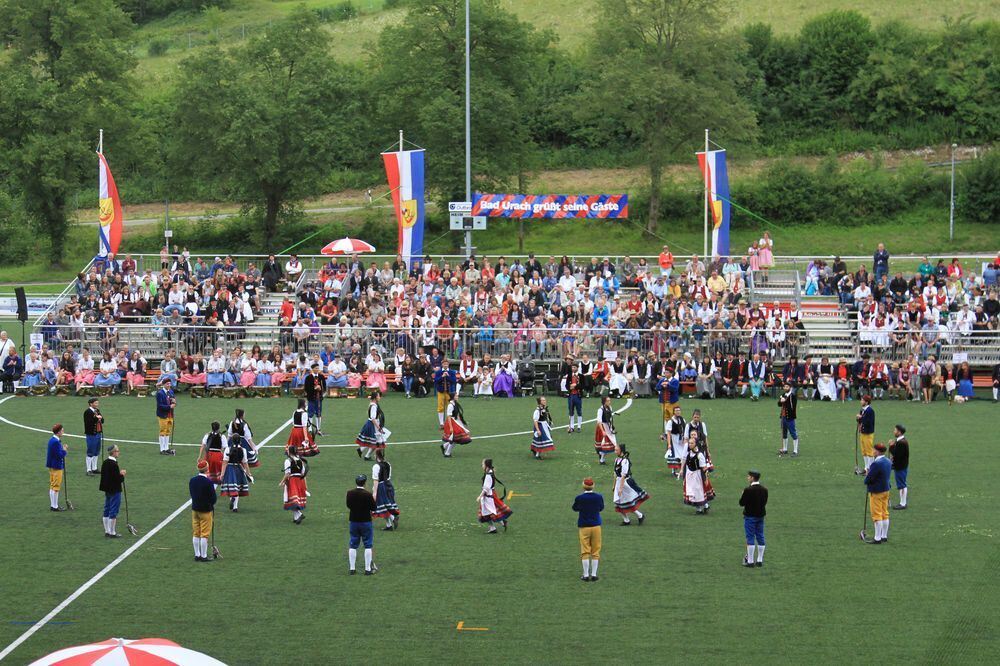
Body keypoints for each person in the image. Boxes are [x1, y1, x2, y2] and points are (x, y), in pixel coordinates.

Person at [572, 477, 604, 582]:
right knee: (596, 551)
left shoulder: (579, 498)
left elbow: (575, 508)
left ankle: (585, 575)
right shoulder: (599, 497)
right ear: (593, 486)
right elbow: (601, 508)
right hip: (596, 526)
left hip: (584, 526)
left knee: (585, 551)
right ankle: (594, 574)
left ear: (583, 486)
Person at [346, 474, 378, 575]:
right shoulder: (367, 494)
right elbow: (374, 508)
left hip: (354, 521)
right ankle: (368, 569)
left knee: (353, 544)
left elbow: (348, 505)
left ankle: (352, 568)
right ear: (364, 482)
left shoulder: (349, 493)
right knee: (368, 545)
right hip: (365, 522)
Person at [612, 443, 649, 525]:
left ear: (621, 450)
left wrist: (620, 488)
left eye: (616, 450)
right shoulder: (617, 460)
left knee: (625, 502)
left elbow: (623, 476)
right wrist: (614, 485)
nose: (615, 451)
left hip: (625, 483)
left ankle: (636, 517)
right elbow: (615, 474)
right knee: (620, 503)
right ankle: (631, 518)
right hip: (619, 483)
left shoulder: (625, 461)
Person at [189, 460, 217, 562]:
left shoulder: (192, 480)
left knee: (196, 533)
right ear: (207, 469)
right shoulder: (209, 482)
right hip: (205, 510)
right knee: (204, 534)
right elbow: (213, 498)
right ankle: (204, 556)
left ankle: (197, 554)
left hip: (195, 509)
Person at [864, 443, 892, 544]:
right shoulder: (888, 461)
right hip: (886, 490)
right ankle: (884, 536)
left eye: (874, 449)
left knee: (877, 515)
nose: (872, 451)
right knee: (885, 513)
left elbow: (869, 479)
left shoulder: (876, 464)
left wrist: (867, 475)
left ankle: (877, 538)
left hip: (876, 492)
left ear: (877, 451)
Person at [739, 470, 767, 567]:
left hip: (750, 516)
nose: (747, 478)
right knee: (760, 536)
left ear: (752, 478)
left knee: (750, 537)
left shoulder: (748, 490)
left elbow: (741, 503)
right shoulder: (764, 489)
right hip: (760, 516)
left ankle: (750, 561)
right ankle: (760, 560)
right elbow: (765, 502)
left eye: (748, 476)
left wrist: (742, 494)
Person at [477, 458, 512, 534]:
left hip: (488, 496)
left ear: (486, 465)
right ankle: (497, 525)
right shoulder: (490, 472)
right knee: (488, 512)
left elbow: (486, 488)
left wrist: (480, 496)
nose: (482, 465)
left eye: (483, 464)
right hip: (490, 495)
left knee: (487, 513)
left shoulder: (488, 475)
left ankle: (496, 525)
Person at [220, 435, 252, 512]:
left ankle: (233, 499)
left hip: (230, 469)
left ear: (232, 440)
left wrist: (222, 474)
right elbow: (245, 463)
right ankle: (235, 507)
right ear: (240, 441)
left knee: (232, 488)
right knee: (237, 487)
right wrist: (249, 473)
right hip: (239, 469)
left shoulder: (228, 449)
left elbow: (224, 462)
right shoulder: (243, 450)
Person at [99, 444, 125, 538]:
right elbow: (118, 479)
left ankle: (107, 531)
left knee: (107, 509)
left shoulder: (105, 462)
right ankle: (112, 532)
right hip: (115, 490)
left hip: (107, 490)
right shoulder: (113, 464)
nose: (118, 452)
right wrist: (122, 475)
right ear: (113, 452)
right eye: (117, 451)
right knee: (113, 510)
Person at [682, 437, 714, 514]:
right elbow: (687, 465)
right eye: (689, 443)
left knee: (698, 492)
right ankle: (699, 509)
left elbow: (704, 468)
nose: (690, 445)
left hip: (697, 475)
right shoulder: (689, 454)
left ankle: (705, 506)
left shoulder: (700, 455)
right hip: (690, 475)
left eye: (692, 443)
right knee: (692, 492)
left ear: (696, 444)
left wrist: (705, 478)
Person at [371, 449, 399, 531]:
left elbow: (376, 480)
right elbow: (388, 476)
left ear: (377, 456)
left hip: (381, 487)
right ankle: (389, 525)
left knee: (381, 506)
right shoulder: (388, 464)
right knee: (386, 505)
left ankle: (393, 518)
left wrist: (374, 492)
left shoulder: (376, 466)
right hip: (388, 485)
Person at [280, 445, 308, 525]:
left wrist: (282, 482)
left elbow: (287, 473)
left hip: (292, 481)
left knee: (291, 499)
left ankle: (299, 514)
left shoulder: (288, 461)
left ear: (290, 451)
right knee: (295, 500)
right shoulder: (300, 460)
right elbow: (303, 473)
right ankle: (296, 518)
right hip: (300, 480)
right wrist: (305, 485)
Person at [356, 391, 388, 460]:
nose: (380, 397)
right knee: (377, 442)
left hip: (371, 424)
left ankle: (364, 453)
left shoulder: (372, 404)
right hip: (372, 425)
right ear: (375, 397)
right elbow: (373, 418)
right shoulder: (374, 406)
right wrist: (379, 427)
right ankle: (371, 456)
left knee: (374, 442)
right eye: (379, 396)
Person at [442, 392, 471, 458]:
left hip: (455, 422)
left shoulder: (455, 404)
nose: (457, 397)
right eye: (456, 396)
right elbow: (449, 416)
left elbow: (457, 415)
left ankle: (444, 447)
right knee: (455, 439)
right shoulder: (450, 405)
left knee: (455, 439)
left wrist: (463, 422)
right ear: (453, 397)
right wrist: (451, 427)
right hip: (452, 422)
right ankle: (447, 453)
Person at [46, 424, 67, 512]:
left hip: (52, 465)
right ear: (58, 432)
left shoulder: (52, 440)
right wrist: (64, 450)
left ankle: (53, 505)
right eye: (62, 430)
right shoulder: (56, 442)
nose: (63, 432)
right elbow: (59, 455)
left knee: (52, 486)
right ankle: (55, 506)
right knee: (56, 487)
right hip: (56, 466)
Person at [655, 368, 680, 438]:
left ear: (671, 373)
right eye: (665, 373)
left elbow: (675, 389)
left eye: (667, 373)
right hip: (664, 402)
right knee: (666, 417)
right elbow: (657, 387)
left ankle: (675, 431)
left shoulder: (675, 381)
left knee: (674, 417)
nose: (666, 374)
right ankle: (667, 433)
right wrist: (662, 385)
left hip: (672, 403)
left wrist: (668, 385)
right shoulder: (662, 380)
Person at [889, 424, 909, 511]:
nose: (894, 431)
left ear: (899, 432)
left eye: (895, 430)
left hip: (900, 466)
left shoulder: (901, 443)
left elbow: (897, 455)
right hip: (900, 466)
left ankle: (903, 503)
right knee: (901, 484)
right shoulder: (901, 441)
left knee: (902, 485)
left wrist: (891, 446)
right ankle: (902, 502)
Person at [433, 358, 458, 428]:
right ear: (442, 364)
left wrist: (448, 376)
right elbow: (436, 381)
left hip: (449, 392)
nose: (445, 365)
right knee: (440, 407)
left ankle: (449, 422)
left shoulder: (452, 372)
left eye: (446, 364)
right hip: (441, 391)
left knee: (449, 407)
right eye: (444, 364)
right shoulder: (438, 372)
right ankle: (441, 423)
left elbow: (454, 381)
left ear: (448, 364)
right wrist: (442, 376)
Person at [777, 382, 799, 457]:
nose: (785, 388)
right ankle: (785, 449)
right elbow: (779, 404)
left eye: (787, 387)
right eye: (784, 387)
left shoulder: (793, 396)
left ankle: (795, 451)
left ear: (790, 388)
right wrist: (780, 401)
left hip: (790, 418)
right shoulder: (783, 395)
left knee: (793, 433)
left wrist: (784, 401)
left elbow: (792, 407)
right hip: (783, 417)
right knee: (784, 433)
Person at [83, 397, 104, 476]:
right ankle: (88, 469)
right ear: (91, 404)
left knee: (96, 451)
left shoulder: (97, 411)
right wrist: (96, 418)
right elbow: (89, 422)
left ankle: (94, 468)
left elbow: (102, 420)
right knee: (90, 451)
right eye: (95, 403)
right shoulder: (87, 412)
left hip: (98, 433)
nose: (97, 404)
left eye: (97, 403)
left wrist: (100, 418)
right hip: (91, 434)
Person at [155, 379, 177, 456]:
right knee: (162, 431)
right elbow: (160, 406)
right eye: (167, 384)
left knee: (167, 431)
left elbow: (174, 401)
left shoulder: (171, 392)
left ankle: (166, 448)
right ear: (163, 384)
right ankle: (162, 449)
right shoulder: (159, 393)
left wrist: (174, 401)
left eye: (169, 384)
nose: (169, 385)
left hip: (170, 415)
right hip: (163, 415)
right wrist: (169, 406)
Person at [594, 395, 617, 465]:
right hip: (602, 427)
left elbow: (609, 418)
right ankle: (602, 459)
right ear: (604, 402)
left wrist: (611, 426)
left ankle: (601, 457)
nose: (609, 402)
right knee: (605, 444)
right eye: (608, 401)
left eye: (610, 400)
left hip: (608, 426)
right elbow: (599, 422)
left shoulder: (610, 408)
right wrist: (603, 431)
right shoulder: (600, 410)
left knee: (613, 442)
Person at [304, 363, 325, 436]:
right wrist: (314, 388)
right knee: (310, 413)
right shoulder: (308, 378)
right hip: (311, 398)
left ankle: (318, 429)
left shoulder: (321, 377)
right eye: (315, 368)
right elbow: (306, 388)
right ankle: (310, 428)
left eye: (318, 368)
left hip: (319, 398)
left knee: (318, 413)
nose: (317, 370)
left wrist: (321, 389)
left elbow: (324, 387)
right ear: (312, 369)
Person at [665, 406, 686, 478]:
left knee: (682, 454)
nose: (678, 412)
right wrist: (669, 444)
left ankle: (682, 470)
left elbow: (684, 430)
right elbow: (668, 433)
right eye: (676, 411)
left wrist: (685, 438)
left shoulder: (682, 420)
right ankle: (673, 471)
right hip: (674, 439)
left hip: (681, 440)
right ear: (674, 412)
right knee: (675, 455)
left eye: (679, 410)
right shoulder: (670, 421)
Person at [856, 395, 875, 473]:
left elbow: (868, 422)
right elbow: (860, 421)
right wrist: (858, 419)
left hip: (868, 433)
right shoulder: (862, 410)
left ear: (866, 402)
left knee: (869, 451)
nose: (861, 401)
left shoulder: (870, 411)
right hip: (862, 433)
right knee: (864, 451)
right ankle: (866, 467)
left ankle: (871, 468)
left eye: (862, 400)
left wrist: (860, 418)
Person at [565, 365, 583, 433]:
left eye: (574, 367)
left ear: (577, 368)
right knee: (571, 411)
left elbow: (583, 385)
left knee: (579, 411)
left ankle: (579, 426)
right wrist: (569, 387)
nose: (573, 368)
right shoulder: (569, 376)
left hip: (578, 396)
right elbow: (566, 385)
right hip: (571, 395)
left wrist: (575, 386)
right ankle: (572, 426)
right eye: (572, 367)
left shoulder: (581, 376)